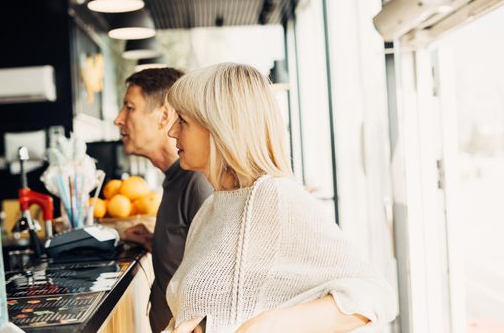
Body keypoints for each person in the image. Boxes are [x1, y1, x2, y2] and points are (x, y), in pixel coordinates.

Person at [163, 63, 397, 333]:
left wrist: (267, 325)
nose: (172, 132)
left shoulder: (275, 198)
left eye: (182, 121)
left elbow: (376, 294)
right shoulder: (211, 208)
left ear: (219, 128)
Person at [114, 68, 213, 333]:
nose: (118, 119)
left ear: (164, 116)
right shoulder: (173, 179)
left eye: (129, 108)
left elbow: (216, 279)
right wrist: (154, 242)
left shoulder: (197, 181)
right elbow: (190, 253)